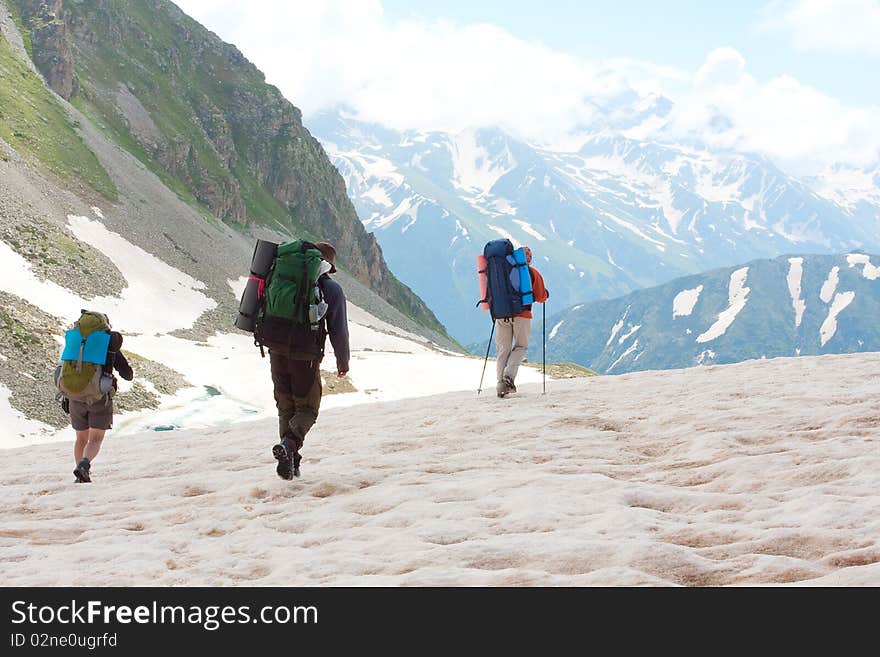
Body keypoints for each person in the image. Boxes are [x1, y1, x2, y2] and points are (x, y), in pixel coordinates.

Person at [270, 241, 350, 479]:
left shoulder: (284, 276)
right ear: (327, 265)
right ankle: (288, 446)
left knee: (286, 406)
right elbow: (339, 330)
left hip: (276, 349)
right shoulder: (331, 289)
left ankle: (291, 462)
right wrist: (342, 362)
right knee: (307, 409)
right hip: (305, 355)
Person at [61, 313, 134, 483]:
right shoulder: (108, 343)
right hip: (98, 397)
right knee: (95, 439)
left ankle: (80, 475)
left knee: (80, 438)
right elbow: (127, 374)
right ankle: (84, 465)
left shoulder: (74, 340)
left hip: (74, 397)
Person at [496, 246, 548, 398]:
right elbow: (540, 297)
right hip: (522, 315)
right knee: (521, 346)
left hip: (501, 314)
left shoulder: (501, 271)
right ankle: (508, 378)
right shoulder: (531, 273)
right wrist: (546, 294)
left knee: (503, 349)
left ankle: (501, 384)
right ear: (528, 259)